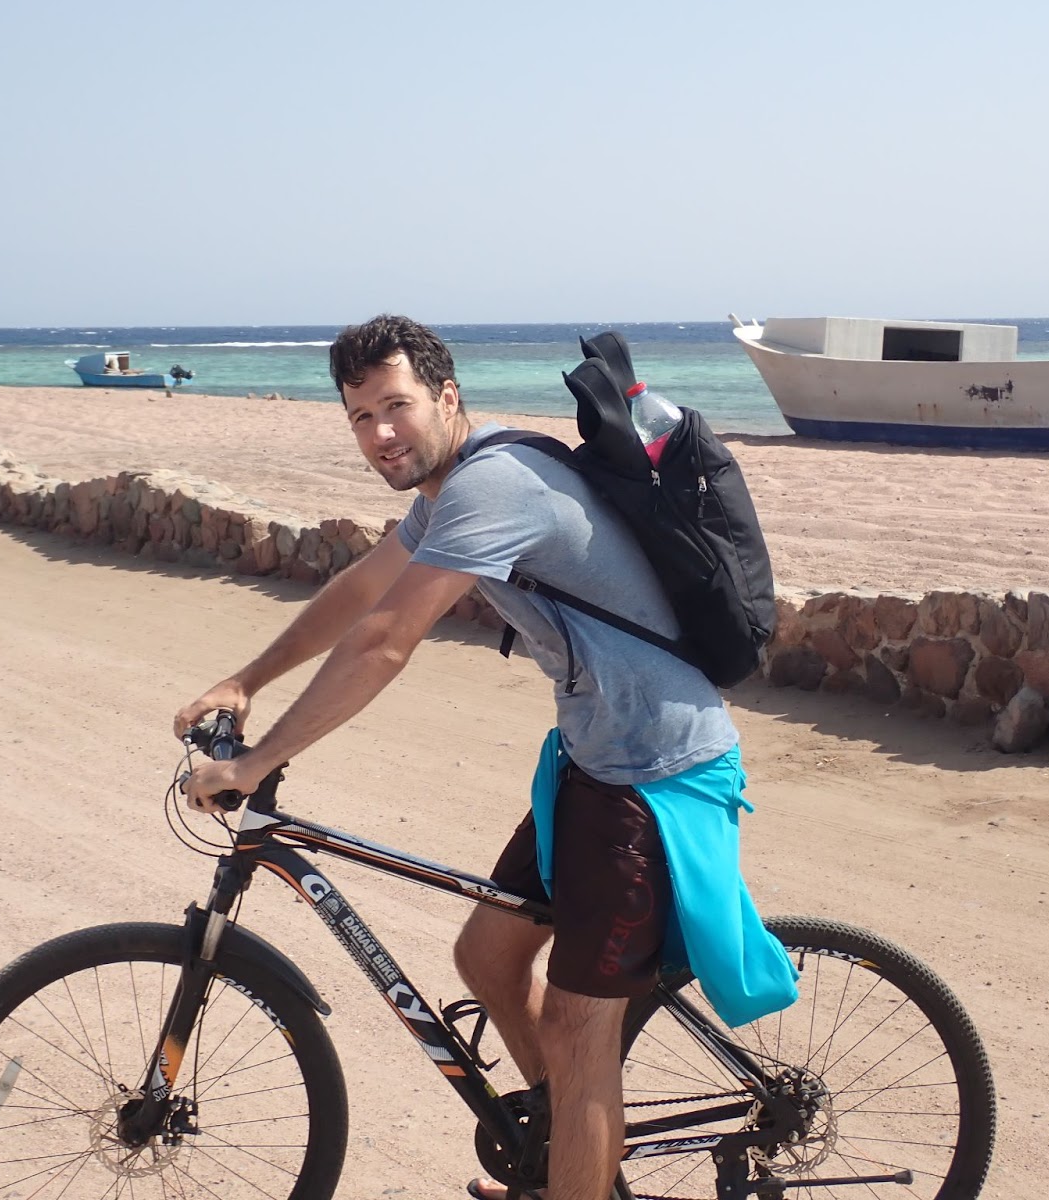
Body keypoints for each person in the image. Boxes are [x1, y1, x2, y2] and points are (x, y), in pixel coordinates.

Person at [177, 314, 780, 1200]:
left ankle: (579, 1158)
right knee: (490, 960)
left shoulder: (492, 484)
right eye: (360, 416)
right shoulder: (448, 489)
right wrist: (246, 679)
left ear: (447, 397)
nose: (381, 433)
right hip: (593, 761)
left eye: (397, 406)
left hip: (657, 772)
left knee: (579, 1028)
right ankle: (568, 1160)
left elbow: (386, 639)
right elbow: (361, 592)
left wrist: (256, 760)